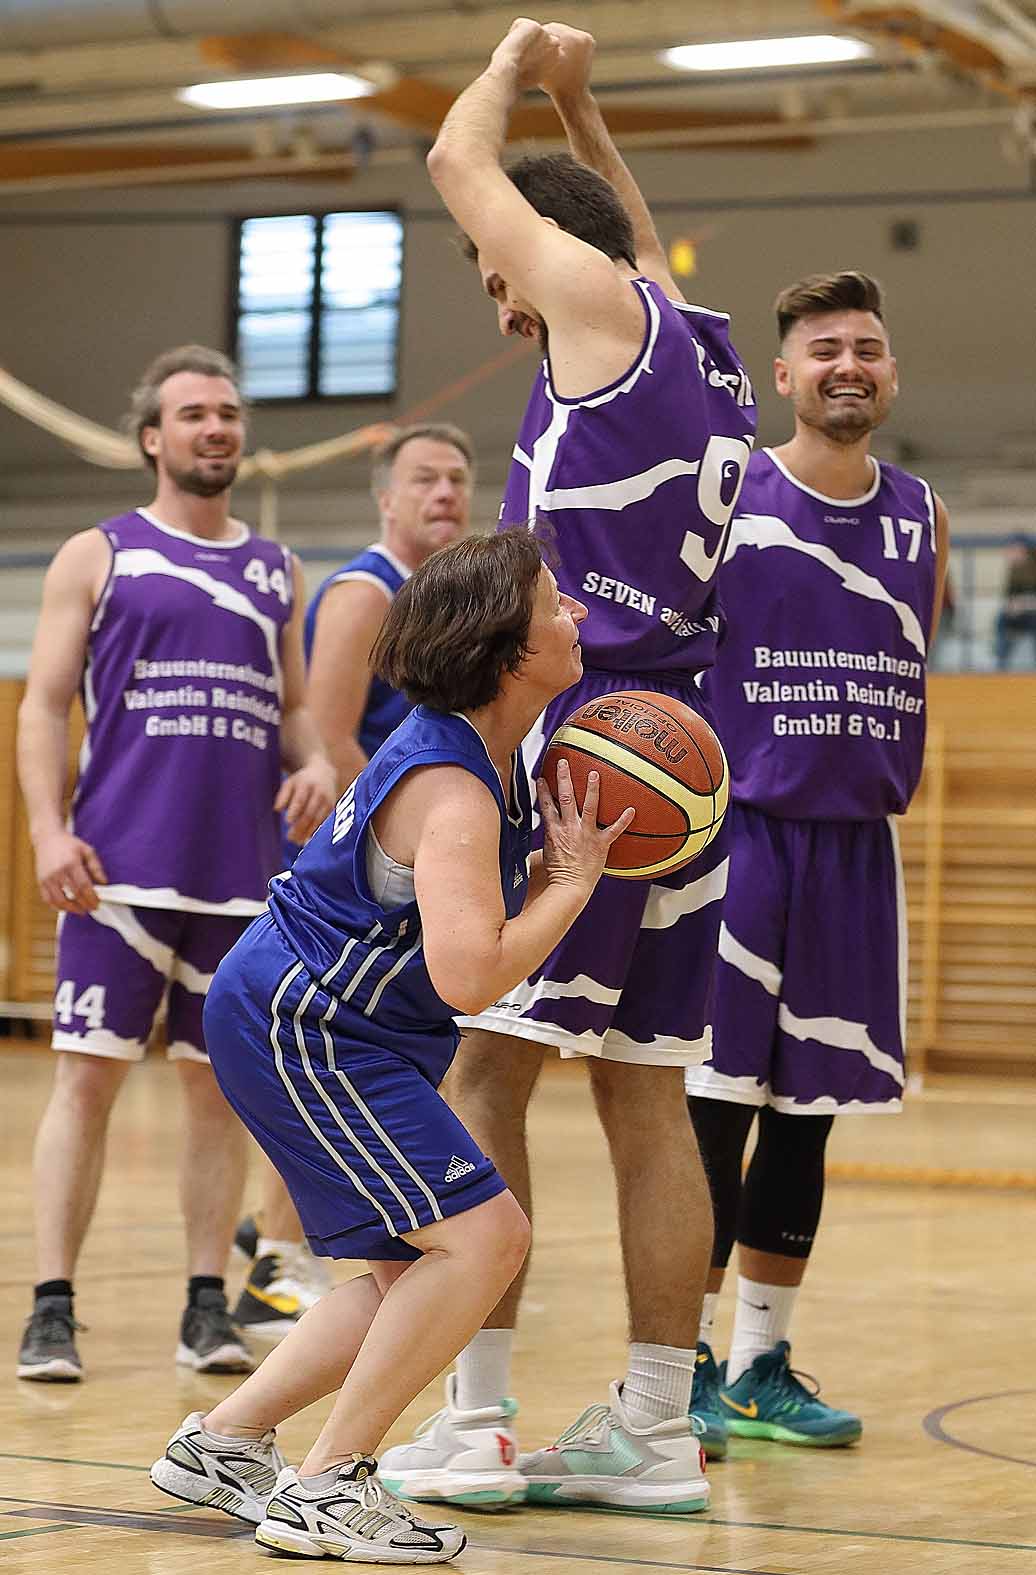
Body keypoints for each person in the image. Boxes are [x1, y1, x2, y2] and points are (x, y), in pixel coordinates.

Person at [381, 20, 755, 1512]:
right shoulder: (692, 334)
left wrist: (510, 60)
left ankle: (476, 1419)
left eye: (502, 265)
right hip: (686, 762)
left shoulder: (596, 310)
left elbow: (453, 157)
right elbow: (631, 225)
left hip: (588, 750)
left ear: (556, 255)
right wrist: (585, 105)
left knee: (486, 1064)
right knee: (647, 1098)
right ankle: (656, 1428)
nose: (500, 290)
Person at [150, 531, 636, 1561]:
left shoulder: (483, 753)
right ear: (506, 648)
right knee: (486, 1239)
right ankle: (327, 1485)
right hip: (312, 1026)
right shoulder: (453, 788)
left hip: (320, 1018)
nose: (577, 616)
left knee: (402, 1270)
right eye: (555, 604)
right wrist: (572, 885)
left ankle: (226, 1444)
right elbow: (471, 976)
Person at [15, 345, 336, 1382]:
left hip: (239, 879)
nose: (216, 428)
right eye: (194, 413)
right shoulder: (97, 552)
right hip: (116, 872)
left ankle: (206, 1305)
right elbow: (42, 705)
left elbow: (295, 708)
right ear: (153, 437)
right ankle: (51, 1307)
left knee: (217, 1095)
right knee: (85, 1085)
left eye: (228, 413)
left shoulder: (277, 569)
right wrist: (47, 830)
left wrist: (317, 763)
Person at [686, 271, 948, 1453]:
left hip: (855, 846)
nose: (850, 365)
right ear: (783, 376)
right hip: (737, 837)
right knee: (711, 1112)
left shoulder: (923, 513)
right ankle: (677, 1359)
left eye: (868, 349)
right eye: (826, 349)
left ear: (890, 374)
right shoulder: (730, 492)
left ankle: (760, 1363)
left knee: (810, 1117)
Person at [232, 423, 475, 1342]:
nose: (444, 493)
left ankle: (287, 1233)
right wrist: (415, 834)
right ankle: (274, 1263)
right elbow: (329, 735)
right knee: (315, 1050)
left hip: (393, 869)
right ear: (385, 497)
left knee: (366, 1061)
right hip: (347, 871)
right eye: (425, 478)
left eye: (457, 478)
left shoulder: (441, 602)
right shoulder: (367, 593)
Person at [994, 534, 1036, 669]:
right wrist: (1011, 606)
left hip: (1032, 614)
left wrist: (1023, 604)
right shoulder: (1014, 571)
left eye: (1014, 550)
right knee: (1001, 618)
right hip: (1019, 614)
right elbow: (1008, 597)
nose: (1010, 554)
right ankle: (1001, 665)